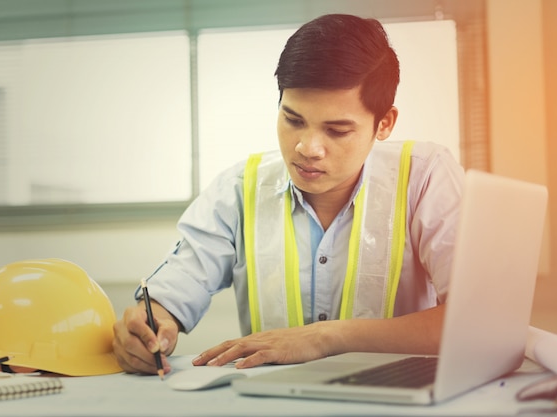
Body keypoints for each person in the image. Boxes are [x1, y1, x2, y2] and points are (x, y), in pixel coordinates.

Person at [112, 13, 464, 375]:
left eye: (337, 130)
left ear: (385, 123)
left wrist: (325, 337)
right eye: (293, 120)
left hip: (399, 400)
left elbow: (473, 323)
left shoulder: (425, 176)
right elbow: (173, 292)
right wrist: (150, 325)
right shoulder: (238, 188)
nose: (307, 148)